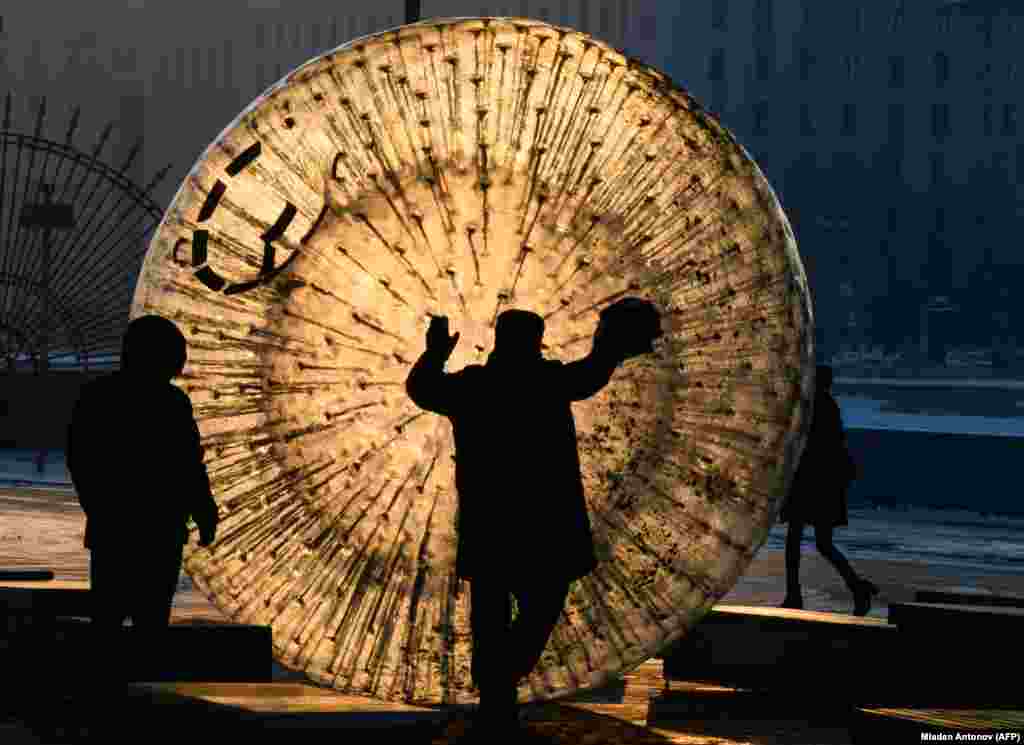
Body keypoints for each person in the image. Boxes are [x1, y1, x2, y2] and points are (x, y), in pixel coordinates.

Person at [405, 299, 661, 734]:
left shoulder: (474, 387)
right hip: (547, 527)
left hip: (491, 525)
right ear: (537, 344)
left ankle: (495, 691)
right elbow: (595, 370)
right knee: (540, 607)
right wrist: (614, 339)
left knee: (491, 613)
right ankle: (500, 684)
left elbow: (422, 389)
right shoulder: (550, 382)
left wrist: (435, 353)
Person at [67, 314, 219, 635]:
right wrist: (203, 511)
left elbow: (81, 458)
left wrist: (98, 507)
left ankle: (107, 682)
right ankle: (134, 678)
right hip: (160, 532)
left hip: (113, 529)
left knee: (107, 619)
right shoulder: (172, 403)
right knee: (150, 622)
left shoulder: (97, 396)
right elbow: (188, 465)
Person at [779, 364, 878, 616]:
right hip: (825, 483)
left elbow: (800, 441)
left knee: (794, 538)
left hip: (809, 480)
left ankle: (794, 593)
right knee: (822, 543)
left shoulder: (814, 408)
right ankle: (855, 586)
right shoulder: (828, 407)